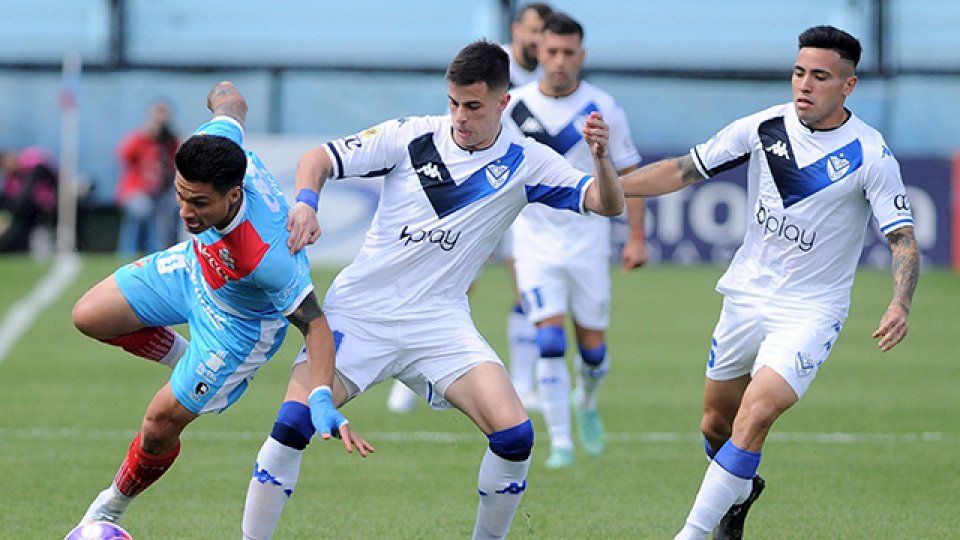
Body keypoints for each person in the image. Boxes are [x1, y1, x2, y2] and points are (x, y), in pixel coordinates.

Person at [241, 40, 626, 540]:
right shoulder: (410, 136)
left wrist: (601, 158)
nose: (460, 117)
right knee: (292, 425)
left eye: (473, 106)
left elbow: (605, 202)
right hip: (361, 314)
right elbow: (320, 157)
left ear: (502, 103)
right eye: (453, 103)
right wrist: (308, 202)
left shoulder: (526, 161)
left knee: (515, 436)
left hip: (439, 322)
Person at [617, 26, 919, 539]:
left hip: (810, 311)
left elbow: (903, 240)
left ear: (848, 85)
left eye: (820, 76)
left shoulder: (871, 154)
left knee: (756, 414)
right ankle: (740, 489)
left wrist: (900, 303)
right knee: (716, 424)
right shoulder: (764, 127)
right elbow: (682, 171)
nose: (804, 85)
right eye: (799, 72)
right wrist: (590, 190)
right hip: (746, 297)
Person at [70, 81, 371, 529]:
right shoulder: (220, 146)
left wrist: (322, 396)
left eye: (199, 203)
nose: (185, 212)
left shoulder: (269, 255)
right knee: (88, 315)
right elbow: (231, 97)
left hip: (238, 328)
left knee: (158, 425)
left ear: (233, 196)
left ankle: (112, 503)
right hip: (194, 269)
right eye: (180, 194)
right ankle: (183, 360)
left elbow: (314, 325)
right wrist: (219, 97)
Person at [384, 2, 555, 415]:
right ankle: (411, 369)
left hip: (522, 190)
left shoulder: (552, 76)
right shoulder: (492, 65)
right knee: (456, 276)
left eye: (543, 33)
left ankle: (524, 381)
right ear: (517, 30)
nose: (538, 40)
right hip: (478, 188)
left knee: (524, 283)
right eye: (532, 31)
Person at [502, 12, 648, 470]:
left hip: (587, 242)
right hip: (534, 242)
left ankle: (586, 400)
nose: (559, 61)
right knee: (548, 340)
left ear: (581, 55)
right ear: (537, 52)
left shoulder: (602, 109)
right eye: (552, 51)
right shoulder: (513, 107)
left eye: (569, 53)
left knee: (593, 350)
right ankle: (560, 442)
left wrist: (637, 237)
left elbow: (630, 177)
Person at [114, 100, 180, 256]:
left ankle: (166, 252)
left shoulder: (170, 141)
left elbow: (177, 164)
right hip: (136, 189)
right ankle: (128, 253)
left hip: (161, 191)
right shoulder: (140, 138)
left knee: (174, 208)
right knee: (142, 209)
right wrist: (146, 135)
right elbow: (122, 155)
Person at [0, 146, 58, 253]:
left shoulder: (30, 160)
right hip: (32, 214)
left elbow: (47, 172)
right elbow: (11, 204)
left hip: (51, 202)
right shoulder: (11, 181)